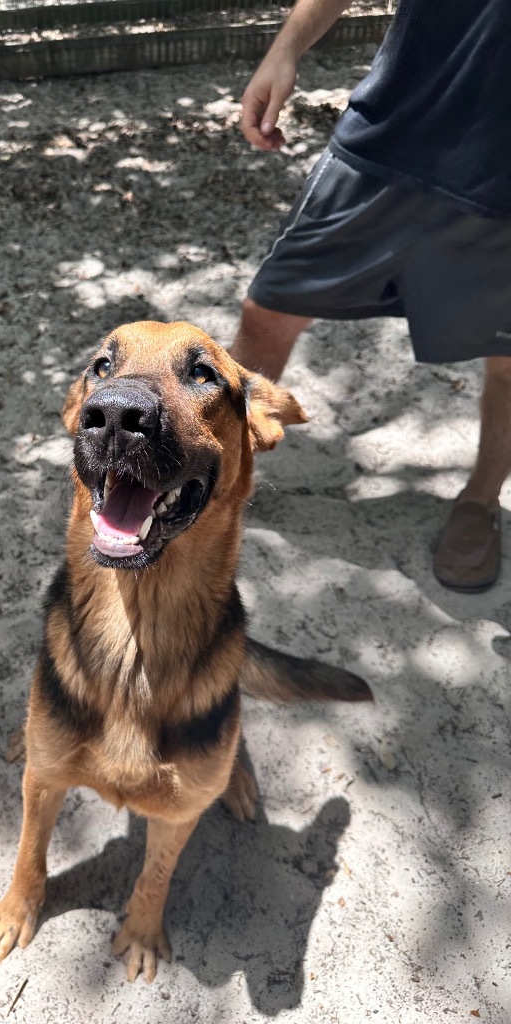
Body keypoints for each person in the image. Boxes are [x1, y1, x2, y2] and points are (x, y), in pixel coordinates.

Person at [229, 0, 511, 593]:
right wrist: (286, 48)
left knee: (510, 363)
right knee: (268, 311)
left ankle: (479, 503)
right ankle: (220, 474)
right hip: (391, 136)